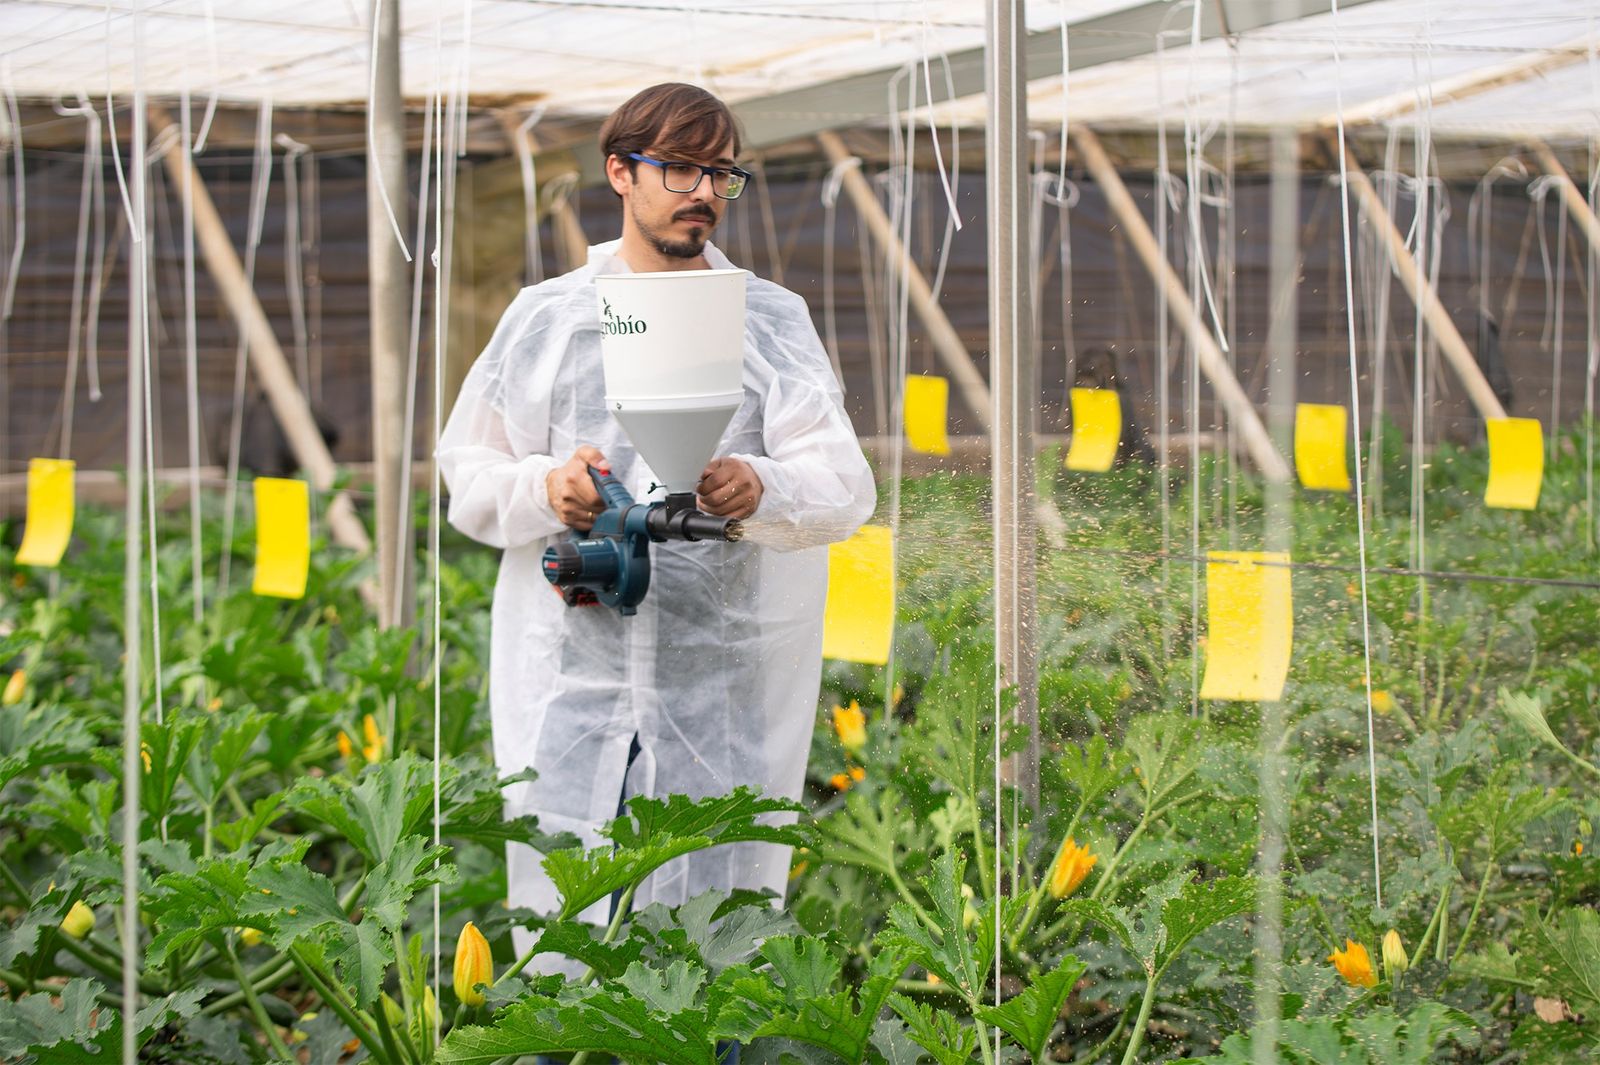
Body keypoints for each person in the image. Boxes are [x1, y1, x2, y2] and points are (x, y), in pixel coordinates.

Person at [437, 83, 875, 965]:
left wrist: (760, 483)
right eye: (678, 168)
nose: (703, 191)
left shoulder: (768, 319)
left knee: (711, 943)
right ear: (619, 173)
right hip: (574, 684)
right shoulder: (549, 318)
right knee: (565, 930)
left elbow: (843, 484)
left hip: (719, 689)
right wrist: (548, 488)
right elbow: (468, 476)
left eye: (721, 173)